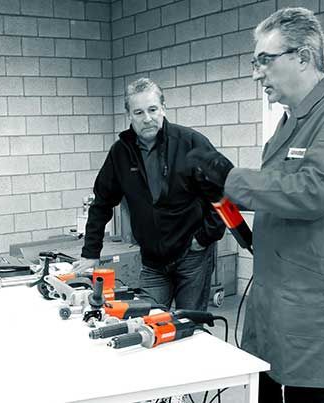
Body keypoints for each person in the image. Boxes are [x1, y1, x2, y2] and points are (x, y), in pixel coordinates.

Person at [186, 8, 324, 403]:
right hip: (274, 291)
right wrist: (223, 196)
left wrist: (231, 178)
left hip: (313, 298)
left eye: (264, 60)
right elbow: (275, 193)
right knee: (264, 387)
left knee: (305, 395)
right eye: (254, 62)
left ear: (303, 57)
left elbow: (315, 190)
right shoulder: (290, 121)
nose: (256, 73)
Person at [72, 77, 226, 311]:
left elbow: (223, 192)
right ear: (129, 115)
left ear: (163, 108)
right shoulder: (121, 153)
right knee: (148, 319)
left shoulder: (190, 143)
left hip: (192, 256)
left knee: (189, 322)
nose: (147, 118)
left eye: (152, 109)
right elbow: (101, 203)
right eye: (139, 112)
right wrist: (91, 253)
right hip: (153, 261)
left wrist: (204, 237)